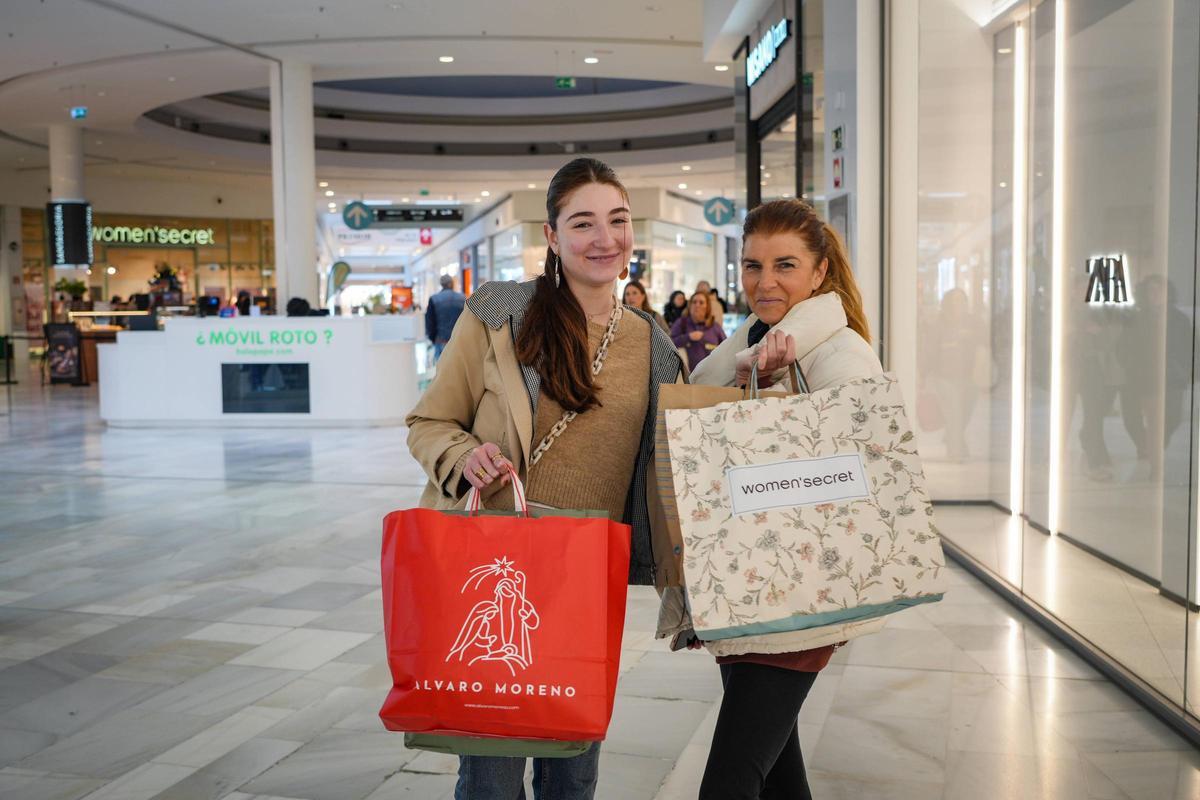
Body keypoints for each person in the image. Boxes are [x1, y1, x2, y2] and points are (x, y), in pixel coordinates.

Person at [405, 157, 684, 800]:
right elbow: (429, 420)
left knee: (573, 764)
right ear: (553, 238)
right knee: (494, 769)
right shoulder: (499, 317)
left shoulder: (653, 343)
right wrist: (464, 456)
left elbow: (675, 454)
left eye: (617, 221)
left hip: (588, 578)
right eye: (582, 223)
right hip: (500, 569)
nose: (604, 239)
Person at [679, 199, 883, 800]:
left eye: (785, 265)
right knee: (776, 773)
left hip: (799, 592)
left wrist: (786, 407)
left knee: (730, 779)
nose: (765, 282)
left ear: (820, 272)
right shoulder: (747, 351)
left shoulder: (840, 353)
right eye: (752, 266)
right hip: (752, 587)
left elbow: (866, 471)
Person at [670, 290, 726, 371]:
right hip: (686, 378)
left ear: (707, 307)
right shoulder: (682, 323)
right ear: (690, 305)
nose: (697, 305)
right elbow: (670, 343)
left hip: (712, 375)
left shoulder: (714, 326)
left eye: (701, 302)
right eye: (694, 302)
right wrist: (687, 337)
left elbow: (725, 347)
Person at [425, 274, 466, 361]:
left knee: (441, 370)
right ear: (451, 283)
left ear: (441, 284)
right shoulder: (462, 298)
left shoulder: (434, 299)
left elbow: (430, 322)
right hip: (458, 341)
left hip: (441, 340)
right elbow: (466, 320)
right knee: (458, 370)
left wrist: (433, 339)